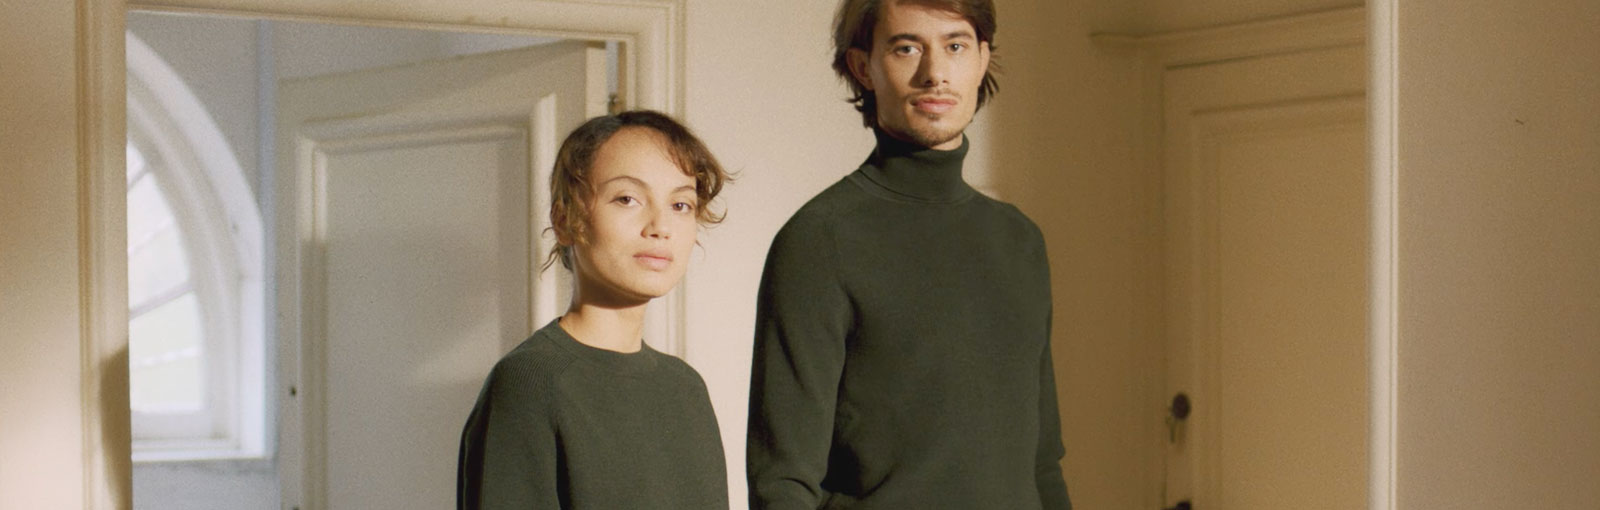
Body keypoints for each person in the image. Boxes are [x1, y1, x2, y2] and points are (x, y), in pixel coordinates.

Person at [745, 0, 1072, 508]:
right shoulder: (820, 240)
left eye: (955, 46)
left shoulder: (1020, 241)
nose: (935, 73)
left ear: (982, 59)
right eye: (906, 48)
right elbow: (782, 481)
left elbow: (1042, 463)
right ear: (863, 67)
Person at [458, 110, 730, 510]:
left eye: (681, 204)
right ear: (566, 220)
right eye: (627, 199)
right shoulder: (530, 383)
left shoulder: (686, 389)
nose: (660, 226)